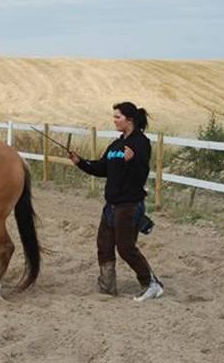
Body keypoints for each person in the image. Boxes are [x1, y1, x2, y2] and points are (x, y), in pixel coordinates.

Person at [68, 102, 163, 302]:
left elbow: (141, 174)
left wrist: (132, 162)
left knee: (126, 248)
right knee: (104, 244)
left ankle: (151, 284)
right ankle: (107, 285)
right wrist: (81, 162)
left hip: (129, 204)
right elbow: (102, 168)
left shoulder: (141, 143)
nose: (114, 121)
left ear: (130, 119)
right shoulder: (116, 145)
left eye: (117, 117)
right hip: (111, 204)